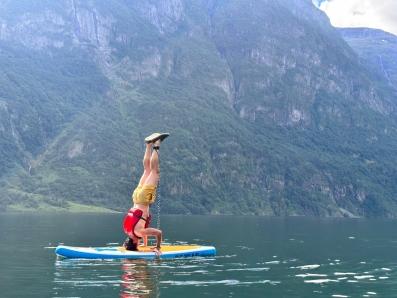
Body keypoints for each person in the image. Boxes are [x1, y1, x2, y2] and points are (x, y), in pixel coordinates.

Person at [123, 132, 169, 256]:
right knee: (147, 170)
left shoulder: (139, 233)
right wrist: (145, 243)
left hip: (143, 199)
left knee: (155, 171)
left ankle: (157, 144)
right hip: (136, 197)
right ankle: (148, 145)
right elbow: (142, 232)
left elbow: (158, 233)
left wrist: (157, 247)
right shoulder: (128, 232)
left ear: (136, 243)